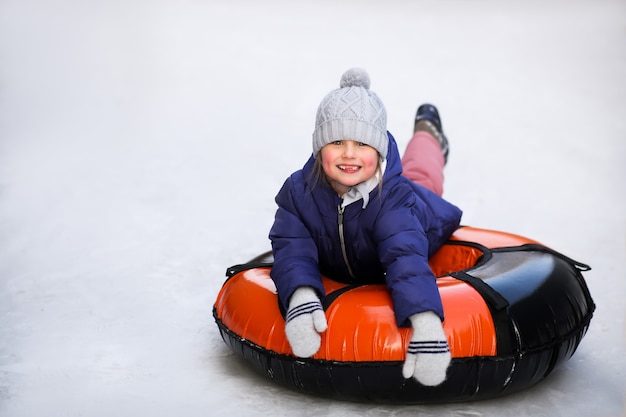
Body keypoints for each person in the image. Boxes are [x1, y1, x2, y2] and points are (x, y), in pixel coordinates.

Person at [268, 68, 462, 387]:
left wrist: (426, 323)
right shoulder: (298, 193)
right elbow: (292, 248)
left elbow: (406, 261)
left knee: (422, 175)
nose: (349, 154)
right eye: (336, 141)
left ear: (378, 150)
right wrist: (300, 298)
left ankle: (429, 135)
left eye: (361, 142)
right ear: (319, 148)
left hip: (418, 213)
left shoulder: (393, 201)